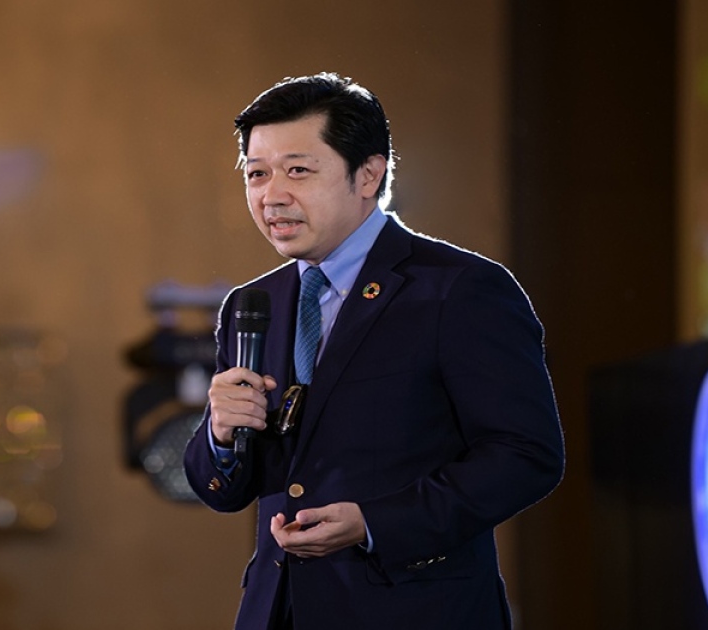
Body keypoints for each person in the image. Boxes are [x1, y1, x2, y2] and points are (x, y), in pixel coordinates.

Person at [182, 72, 565, 630]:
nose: (272, 195)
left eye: (298, 170)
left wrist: (374, 523)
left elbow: (526, 454)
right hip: (278, 611)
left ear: (368, 174)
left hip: (415, 610)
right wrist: (219, 434)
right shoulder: (253, 303)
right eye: (257, 174)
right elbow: (224, 490)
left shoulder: (459, 289)